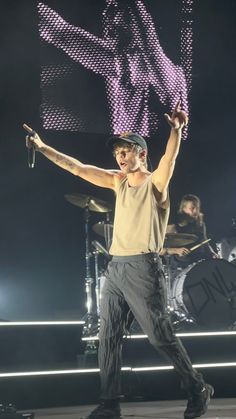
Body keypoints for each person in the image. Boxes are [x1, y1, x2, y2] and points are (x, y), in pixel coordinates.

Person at [24, 102, 213, 419]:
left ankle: (197, 388)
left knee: (159, 335)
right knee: (108, 336)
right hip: (115, 269)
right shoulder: (116, 181)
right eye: (117, 153)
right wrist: (43, 148)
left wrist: (176, 130)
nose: (120, 157)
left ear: (141, 154)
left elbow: (170, 159)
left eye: (126, 151)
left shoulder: (155, 185)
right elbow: (78, 168)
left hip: (143, 268)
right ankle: (110, 403)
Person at [38, 0, 188, 137]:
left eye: (118, 8)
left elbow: (61, 33)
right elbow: (60, 32)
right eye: (108, 8)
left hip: (152, 157)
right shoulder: (123, 61)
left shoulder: (152, 67)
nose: (108, 15)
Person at [162, 194, 218, 268]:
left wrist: (212, 253)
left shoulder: (200, 224)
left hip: (199, 262)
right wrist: (176, 250)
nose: (195, 211)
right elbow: (158, 250)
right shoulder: (172, 226)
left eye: (197, 208)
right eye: (191, 208)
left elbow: (204, 243)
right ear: (183, 209)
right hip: (179, 266)